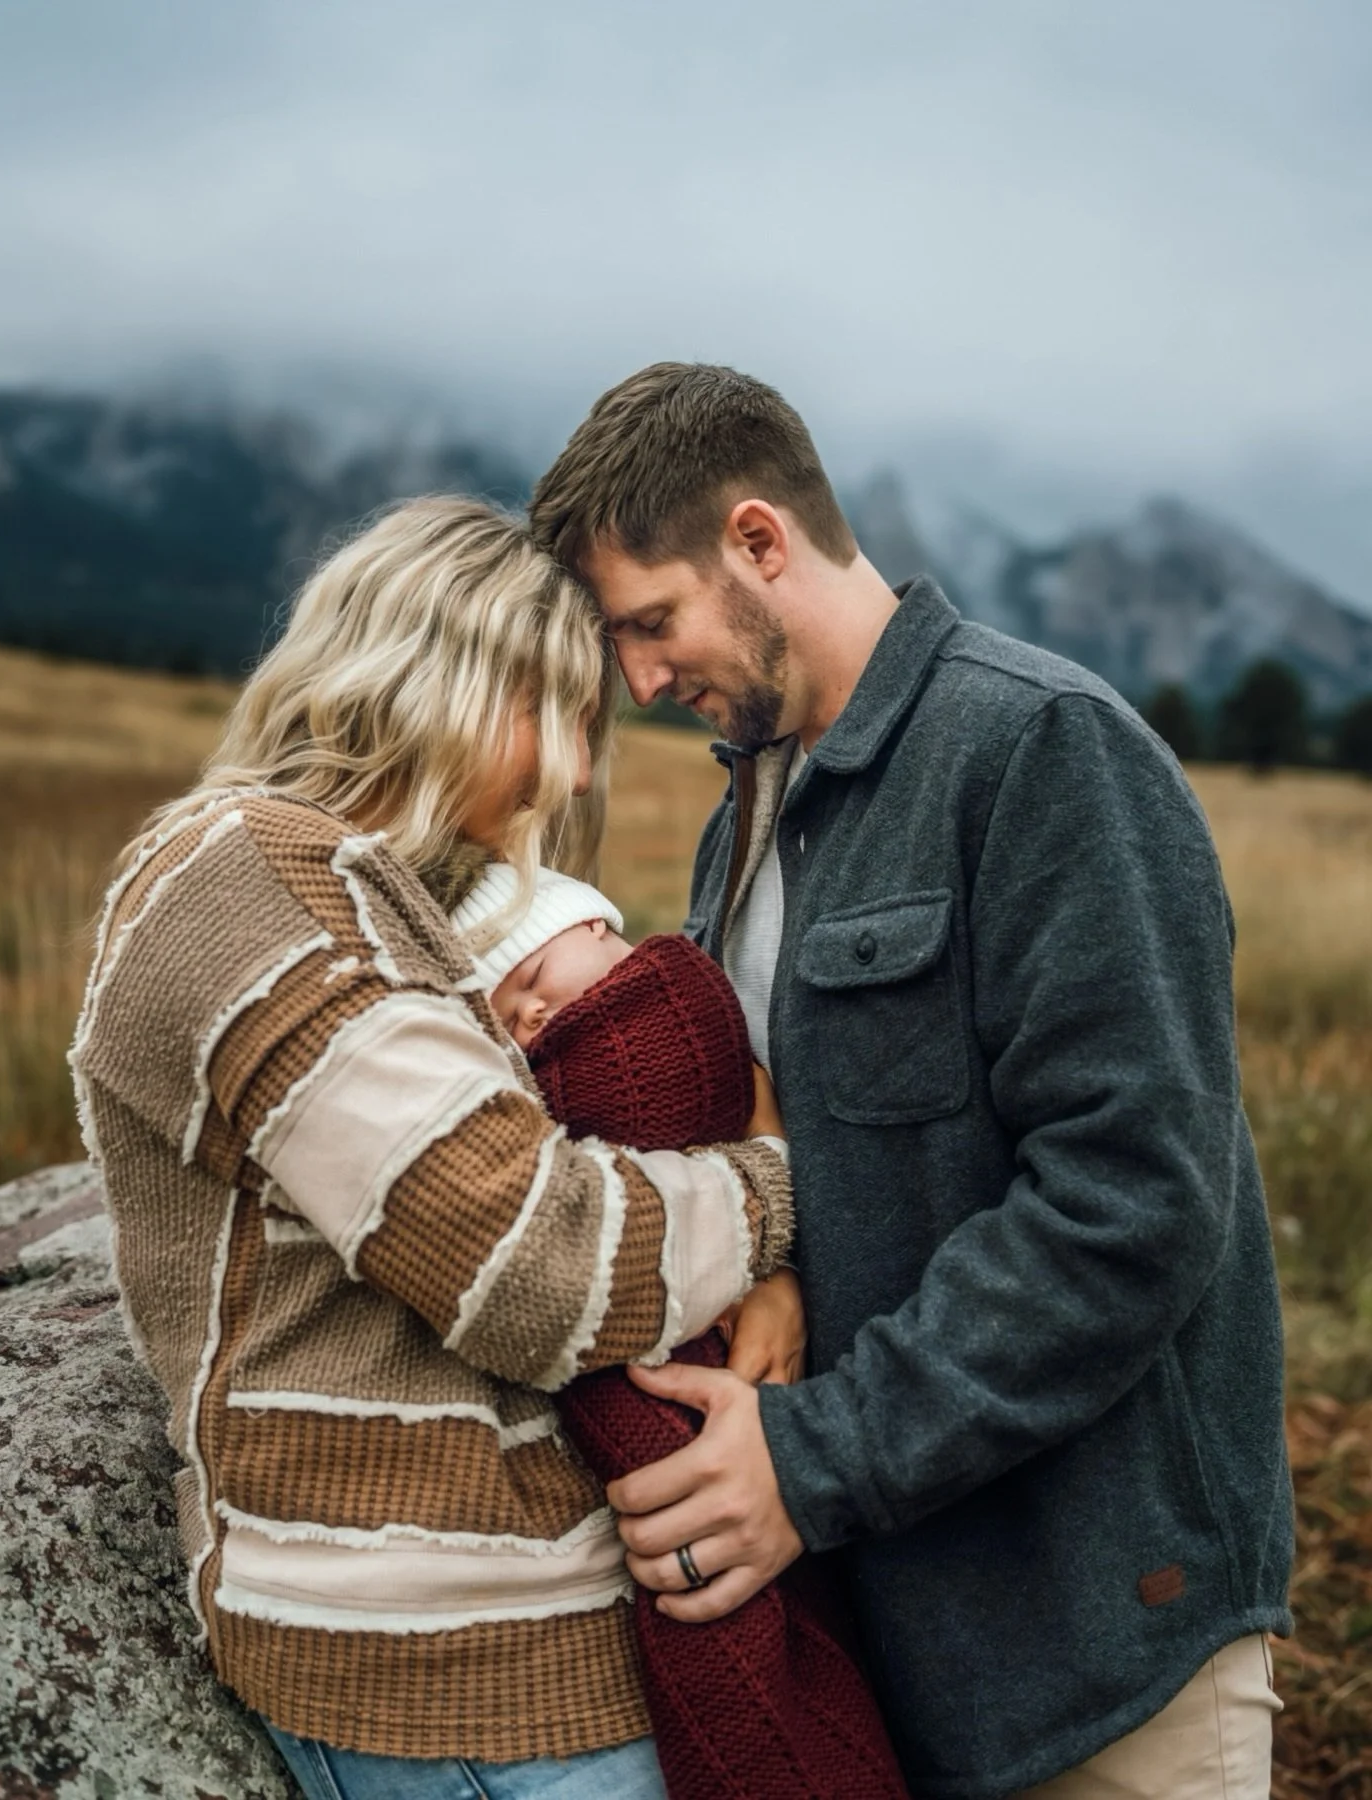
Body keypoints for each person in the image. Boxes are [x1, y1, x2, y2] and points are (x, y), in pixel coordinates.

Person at [528, 363, 1295, 1800]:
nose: (637, 682)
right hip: (901, 1635)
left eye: (652, 623)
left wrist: (812, 1460)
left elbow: (1134, 1205)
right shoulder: (743, 823)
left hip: (1093, 1649)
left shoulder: (1039, 751)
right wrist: (769, 1264)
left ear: (761, 543)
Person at [69, 495, 798, 1800]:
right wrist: (787, 1187)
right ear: (454, 679)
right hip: (448, 1660)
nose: (577, 776)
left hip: (488, 1627)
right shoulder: (257, 881)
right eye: (565, 718)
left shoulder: (345, 889)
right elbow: (539, 1270)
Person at [450, 860, 909, 1800]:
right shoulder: (730, 837)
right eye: (507, 1017)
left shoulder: (665, 994)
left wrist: (771, 1262)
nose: (534, 1022)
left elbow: (716, 1079)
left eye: (534, 983)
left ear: (601, 939)